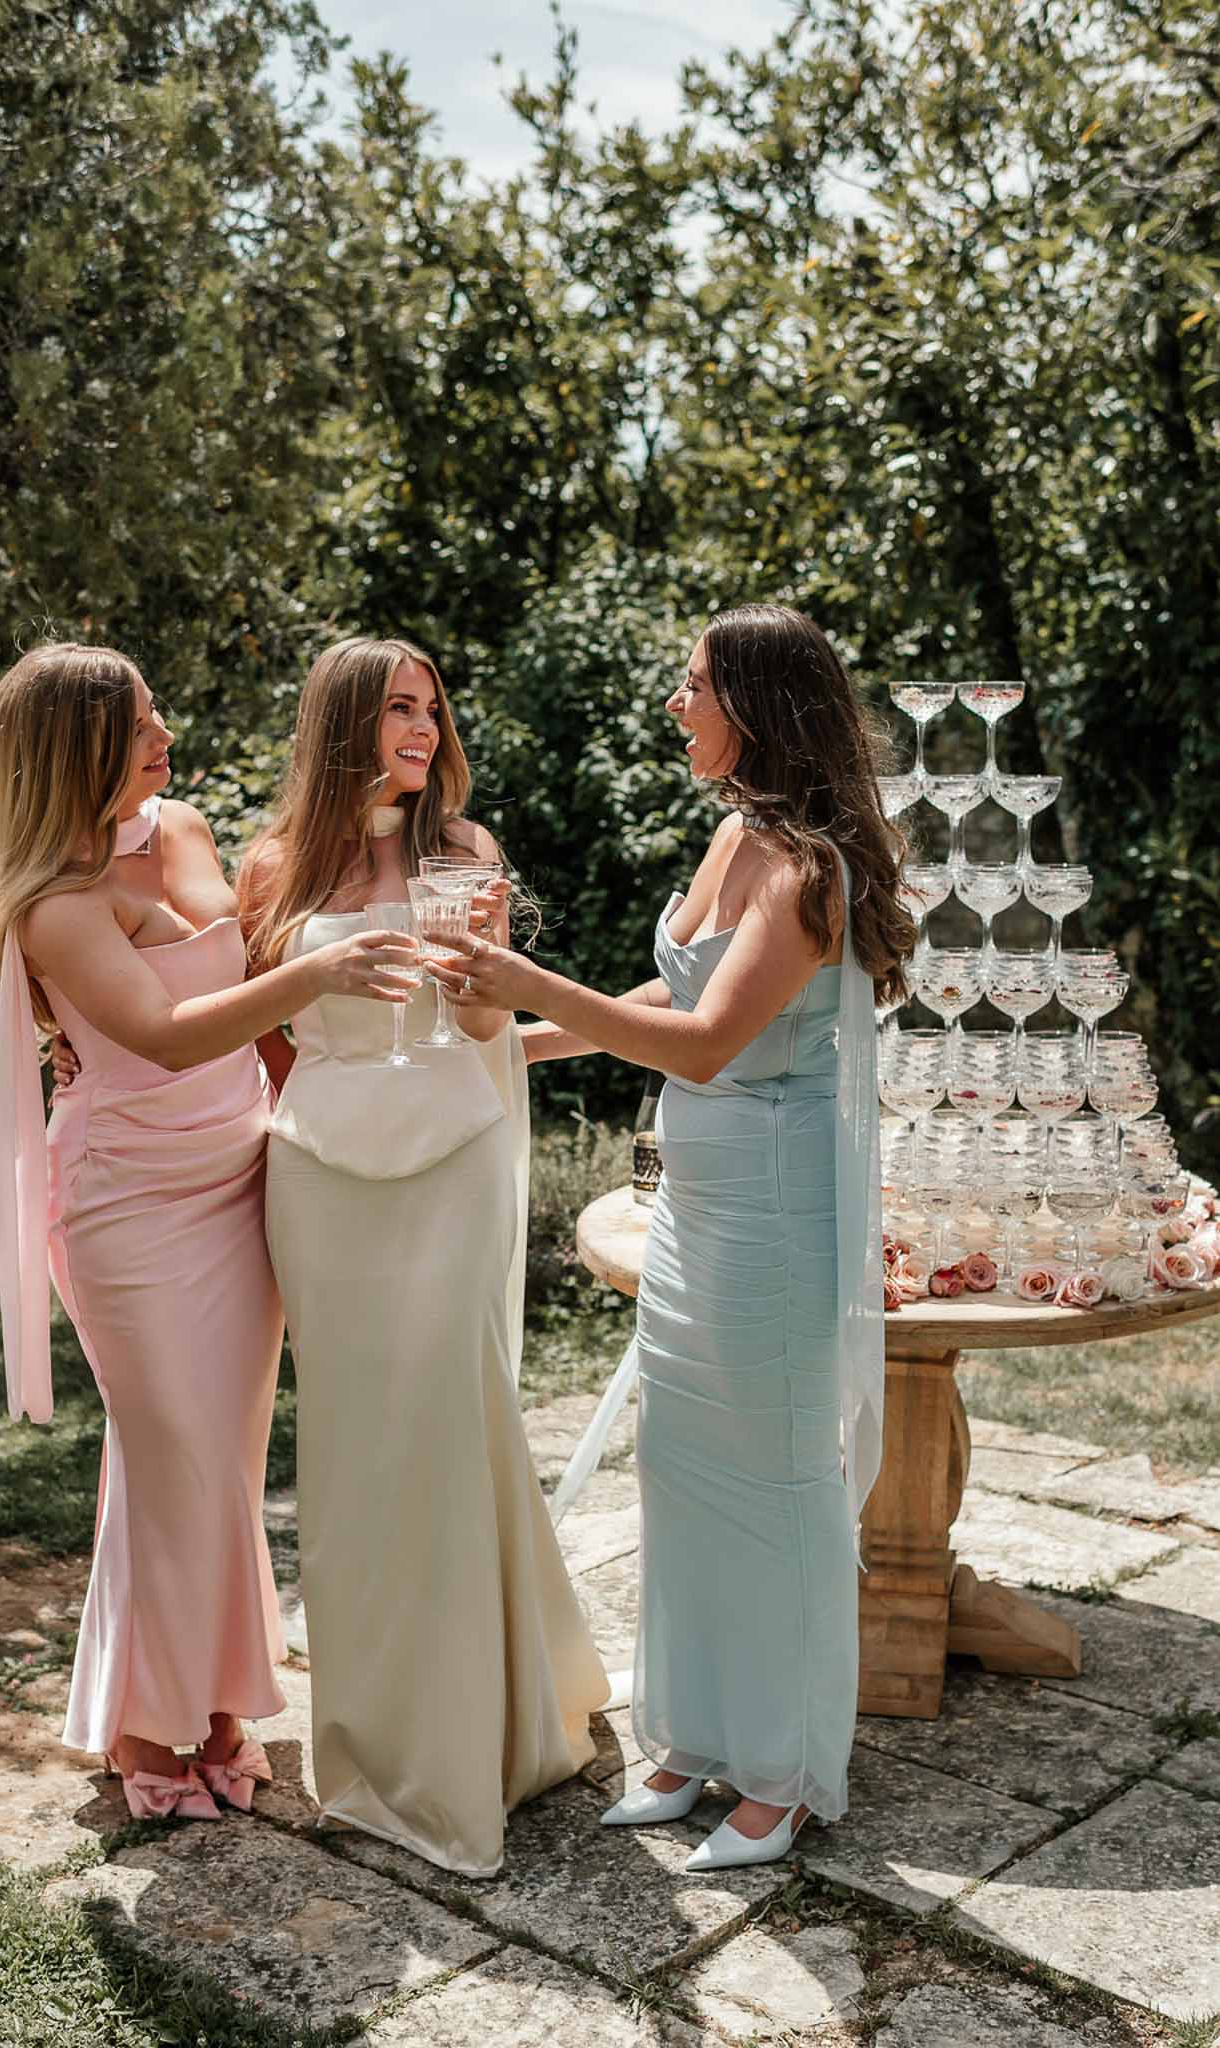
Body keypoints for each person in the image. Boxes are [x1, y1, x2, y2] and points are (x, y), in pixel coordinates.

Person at [433, 603, 914, 1871]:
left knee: (781, 1489)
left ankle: (789, 1770)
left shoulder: (808, 869)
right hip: (697, 1210)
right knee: (688, 1474)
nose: (675, 702)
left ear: (755, 702)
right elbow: (677, 989)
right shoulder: (736, 834)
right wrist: (521, 1042)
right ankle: (696, 1738)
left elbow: (712, 1045)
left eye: (692, 682)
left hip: (776, 1212)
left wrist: (527, 980)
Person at [0, 642, 417, 1819]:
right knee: (173, 1457)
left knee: (219, 1461)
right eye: (142, 724)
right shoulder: (50, 909)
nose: (166, 736)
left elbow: (251, 973)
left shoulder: (188, 828)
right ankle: (149, 1726)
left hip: (243, 1176)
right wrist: (326, 979)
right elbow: (167, 1033)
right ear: (78, 751)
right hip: (127, 1200)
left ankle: (213, 1707)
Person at [239, 633, 609, 1879]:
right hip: (322, 1173)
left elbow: (489, 1021)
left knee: (451, 1422)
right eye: (398, 706)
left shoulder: (467, 854)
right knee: (351, 1444)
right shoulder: (272, 864)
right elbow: (261, 1038)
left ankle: (476, 1743)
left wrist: (488, 960)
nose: (422, 727)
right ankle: (368, 1736)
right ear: (344, 719)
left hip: (454, 1152)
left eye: (432, 707)